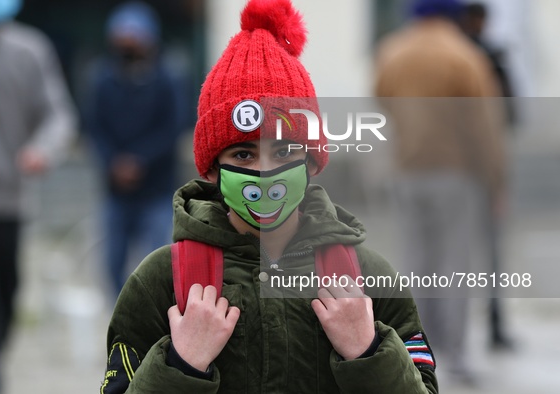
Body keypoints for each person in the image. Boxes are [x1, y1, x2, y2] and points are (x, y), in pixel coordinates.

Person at [100, 0, 438, 392]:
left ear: (312, 161)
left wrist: (368, 352)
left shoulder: (368, 280)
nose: (264, 172)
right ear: (211, 169)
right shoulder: (160, 283)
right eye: (243, 154)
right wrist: (181, 365)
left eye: (283, 152)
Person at [374, 0, 506, 386]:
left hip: (406, 170)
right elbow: (484, 124)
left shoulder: (392, 51)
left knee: (415, 261)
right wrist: (495, 179)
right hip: (455, 173)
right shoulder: (463, 55)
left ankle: (416, 351)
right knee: (454, 264)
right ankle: (456, 355)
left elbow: (381, 100)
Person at [0, 0, 77, 392]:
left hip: (11, 201)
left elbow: (59, 115)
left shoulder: (30, 51)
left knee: (4, 295)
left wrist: (43, 150)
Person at [83, 1, 185, 298]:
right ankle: (122, 316)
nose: (128, 47)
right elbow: (94, 127)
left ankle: (154, 317)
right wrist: (113, 162)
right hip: (116, 190)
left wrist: (140, 160)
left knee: (156, 260)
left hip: (155, 188)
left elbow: (172, 128)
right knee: (112, 262)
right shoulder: (102, 79)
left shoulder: (168, 78)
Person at [459, 1, 515, 350]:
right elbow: (506, 116)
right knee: (487, 251)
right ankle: (491, 326)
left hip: (458, 169)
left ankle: (466, 331)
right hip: (476, 170)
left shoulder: (463, 57)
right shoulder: (485, 60)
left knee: (459, 253)